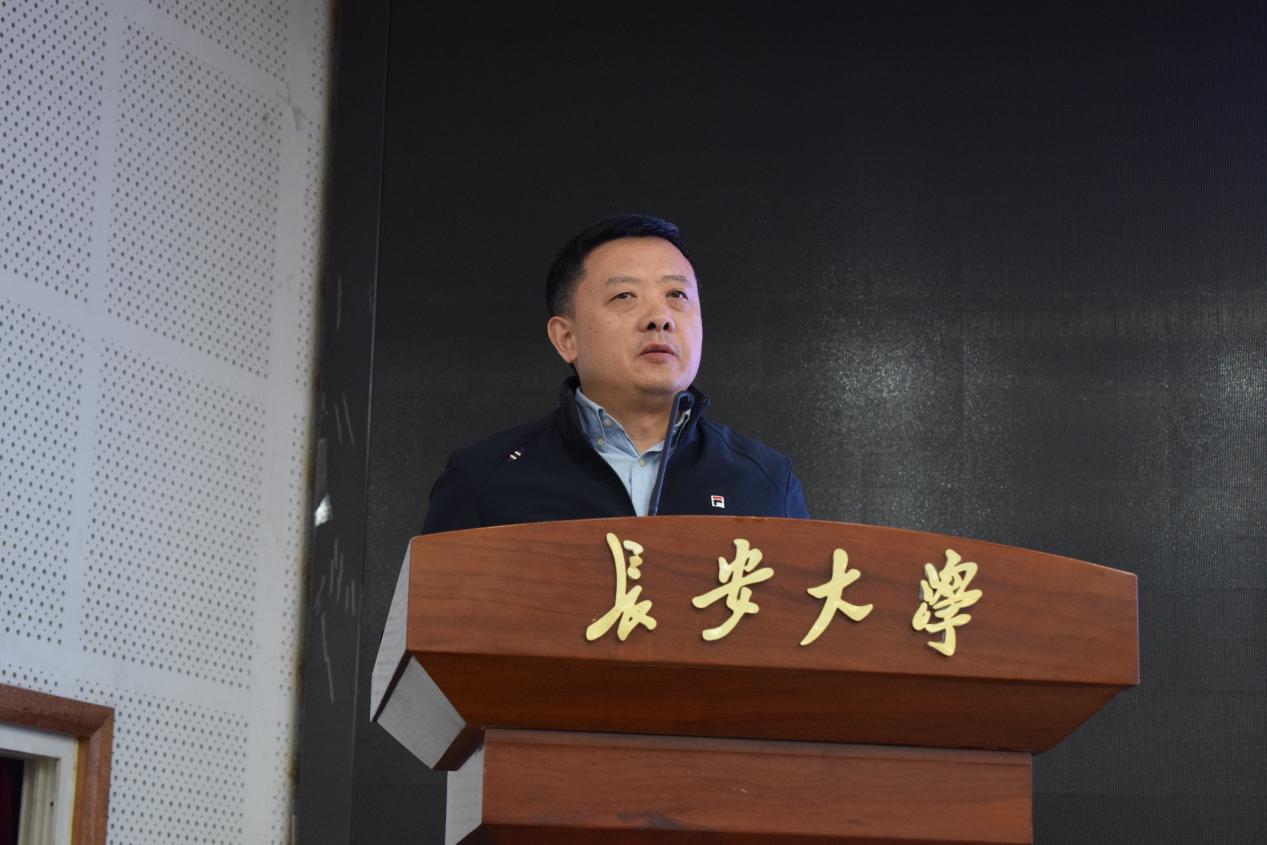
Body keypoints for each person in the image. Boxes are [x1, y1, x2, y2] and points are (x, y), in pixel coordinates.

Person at [421, 214, 809, 533]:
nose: (660, 318)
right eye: (625, 296)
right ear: (566, 338)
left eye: (677, 295)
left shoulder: (766, 480)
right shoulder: (485, 479)